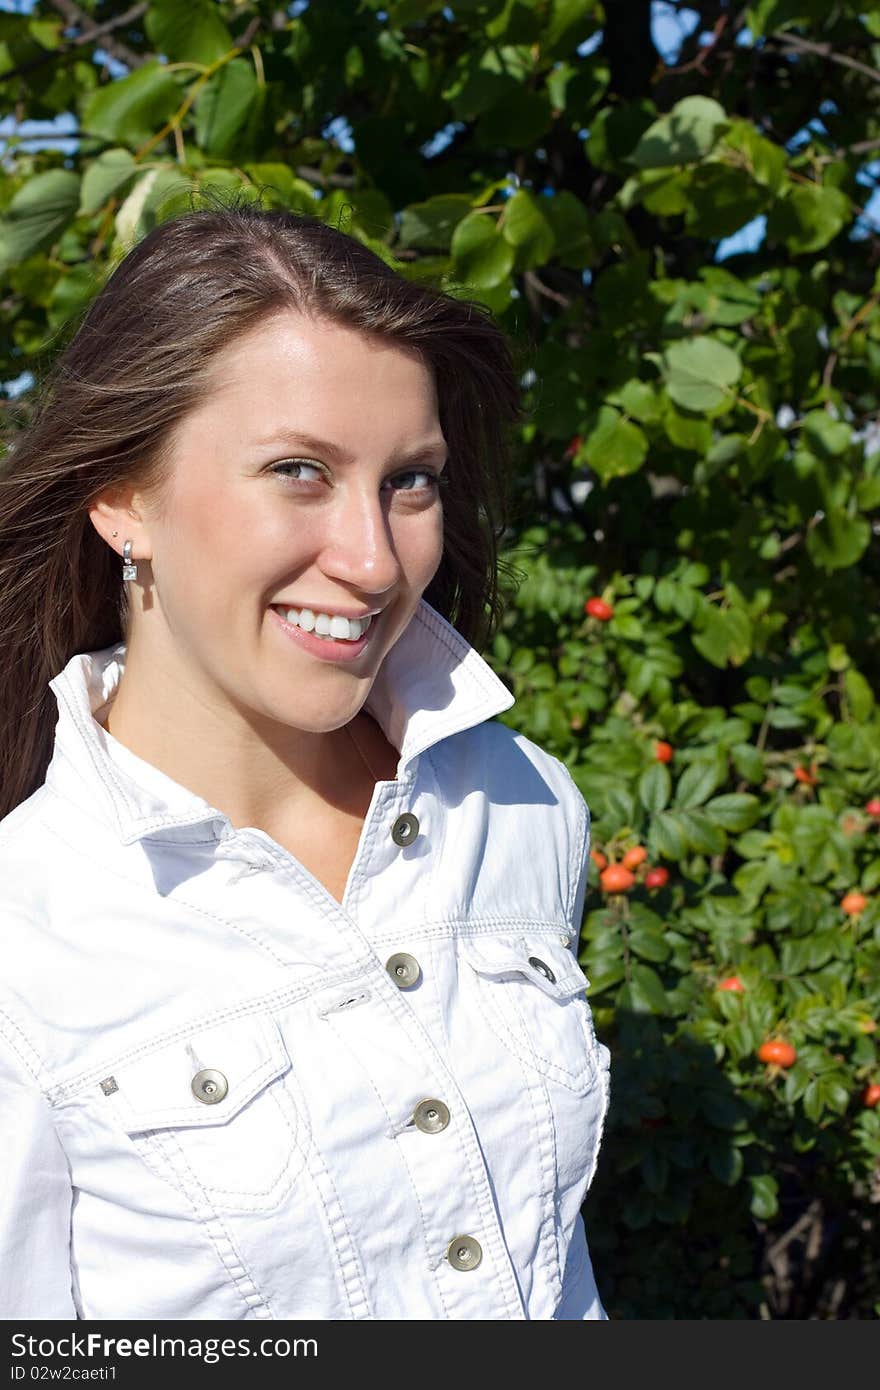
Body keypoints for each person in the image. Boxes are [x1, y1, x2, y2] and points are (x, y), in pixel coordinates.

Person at [0, 201, 611, 1321]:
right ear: (123, 498)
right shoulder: (25, 944)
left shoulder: (516, 803)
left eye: (409, 481)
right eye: (297, 470)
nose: (375, 561)